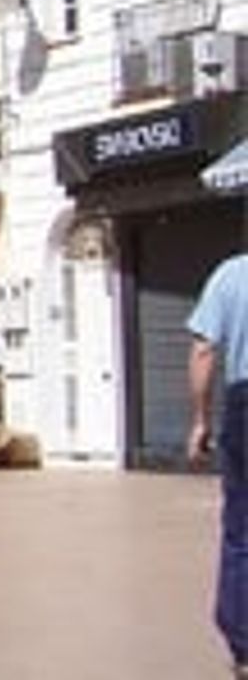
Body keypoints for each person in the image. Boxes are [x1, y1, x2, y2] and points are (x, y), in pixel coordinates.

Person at [187, 252, 248, 676]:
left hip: (245, 404)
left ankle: (245, 644)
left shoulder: (230, 273)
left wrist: (201, 421)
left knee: (242, 531)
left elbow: (204, 350)